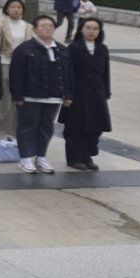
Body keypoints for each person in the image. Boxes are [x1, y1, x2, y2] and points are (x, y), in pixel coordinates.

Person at [10, 15, 74, 174]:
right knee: (27, 126)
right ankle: (25, 158)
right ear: (35, 29)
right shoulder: (24, 49)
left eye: (50, 26)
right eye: (43, 26)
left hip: (54, 96)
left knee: (46, 127)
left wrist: (68, 95)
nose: (47, 29)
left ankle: (41, 157)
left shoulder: (61, 49)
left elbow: (69, 73)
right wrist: (17, 95)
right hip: (30, 96)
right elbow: (16, 73)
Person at [61, 18, 111, 171]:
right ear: (81, 30)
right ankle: (74, 158)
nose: (91, 31)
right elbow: (67, 72)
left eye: (95, 29)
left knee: (95, 126)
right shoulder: (74, 48)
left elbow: (105, 73)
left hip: (97, 93)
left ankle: (87, 155)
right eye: (88, 28)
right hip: (78, 93)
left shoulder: (102, 49)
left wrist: (106, 91)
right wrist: (67, 94)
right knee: (76, 127)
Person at [0, 0, 29, 139]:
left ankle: (13, 131)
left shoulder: (28, 26)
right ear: (7, 9)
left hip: (22, 67)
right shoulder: (1, 26)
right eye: (13, 7)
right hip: (5, 64)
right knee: (4, 101)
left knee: (18, 100)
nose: (16, 10)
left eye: (19, 7)